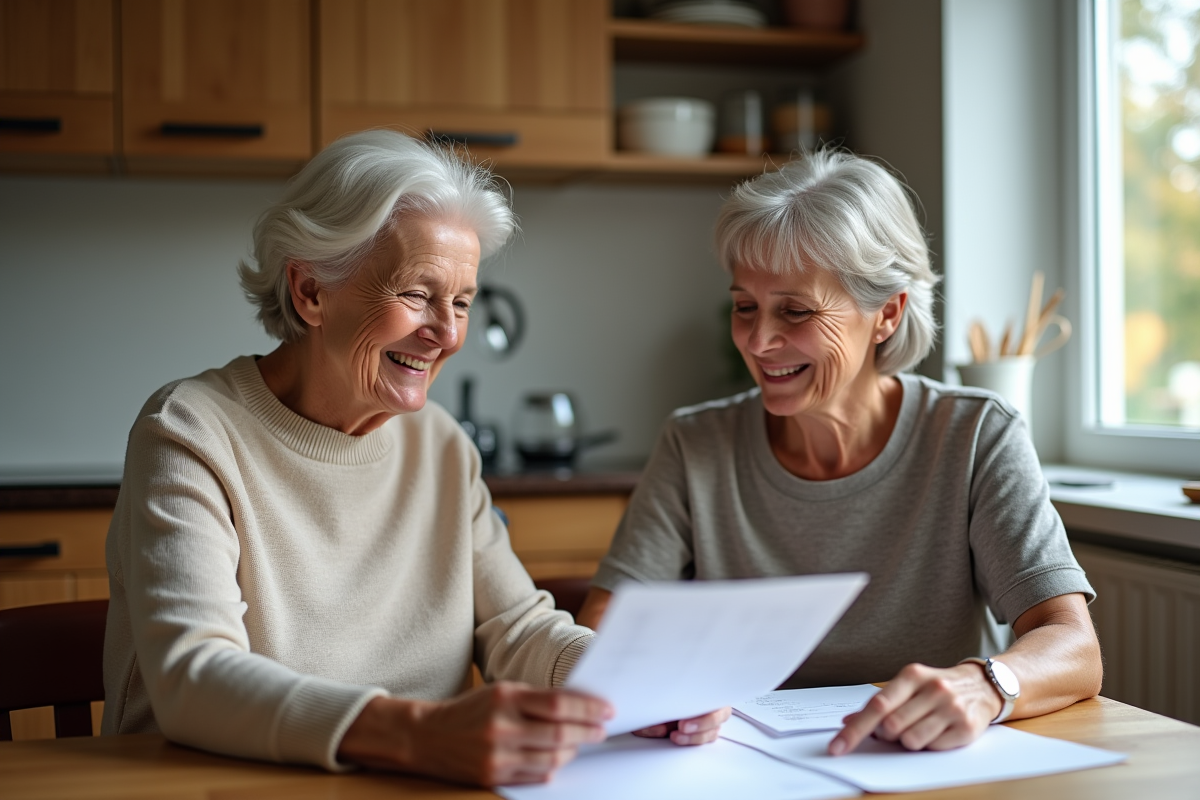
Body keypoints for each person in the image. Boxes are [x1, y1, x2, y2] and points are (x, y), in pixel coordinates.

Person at [101, 130, 617, 787]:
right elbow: (192, 677)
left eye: (461, 302)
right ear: (311, 290)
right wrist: (418, 734)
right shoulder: (191, 433)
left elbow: (516, 628)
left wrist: (630, 685)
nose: (448, 333)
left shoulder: (442, 446)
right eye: (415, 294)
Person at [577, 149, 1103, 755]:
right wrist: (650, 693)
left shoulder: (976, 435)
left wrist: (987, 684)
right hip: (736, 767)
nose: (758, 340)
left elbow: (1073, 645)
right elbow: (602, 630)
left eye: (795, 311)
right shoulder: (696, 444)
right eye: (744, 306)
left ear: (887, 313)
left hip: (917, 766)